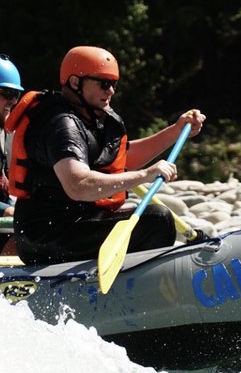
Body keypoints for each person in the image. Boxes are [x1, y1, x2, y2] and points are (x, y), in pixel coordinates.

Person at [6, 45, 205, 265]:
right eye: (103, 83)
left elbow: (123, 159)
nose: (110, 91)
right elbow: (78, 185)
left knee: (155, 218)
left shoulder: (93, 119)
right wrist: (145, 175)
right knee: (156, 220)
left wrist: (176, 132)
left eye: (113, 84)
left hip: (77, 221)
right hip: (46, 233)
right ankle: (134, 289)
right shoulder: (61, 125)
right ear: (75, 83)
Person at [0, 54, 24, 255]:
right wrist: (4, 209)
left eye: (15, 95)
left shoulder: (7, 134)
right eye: (6, 93)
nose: (12, 101)